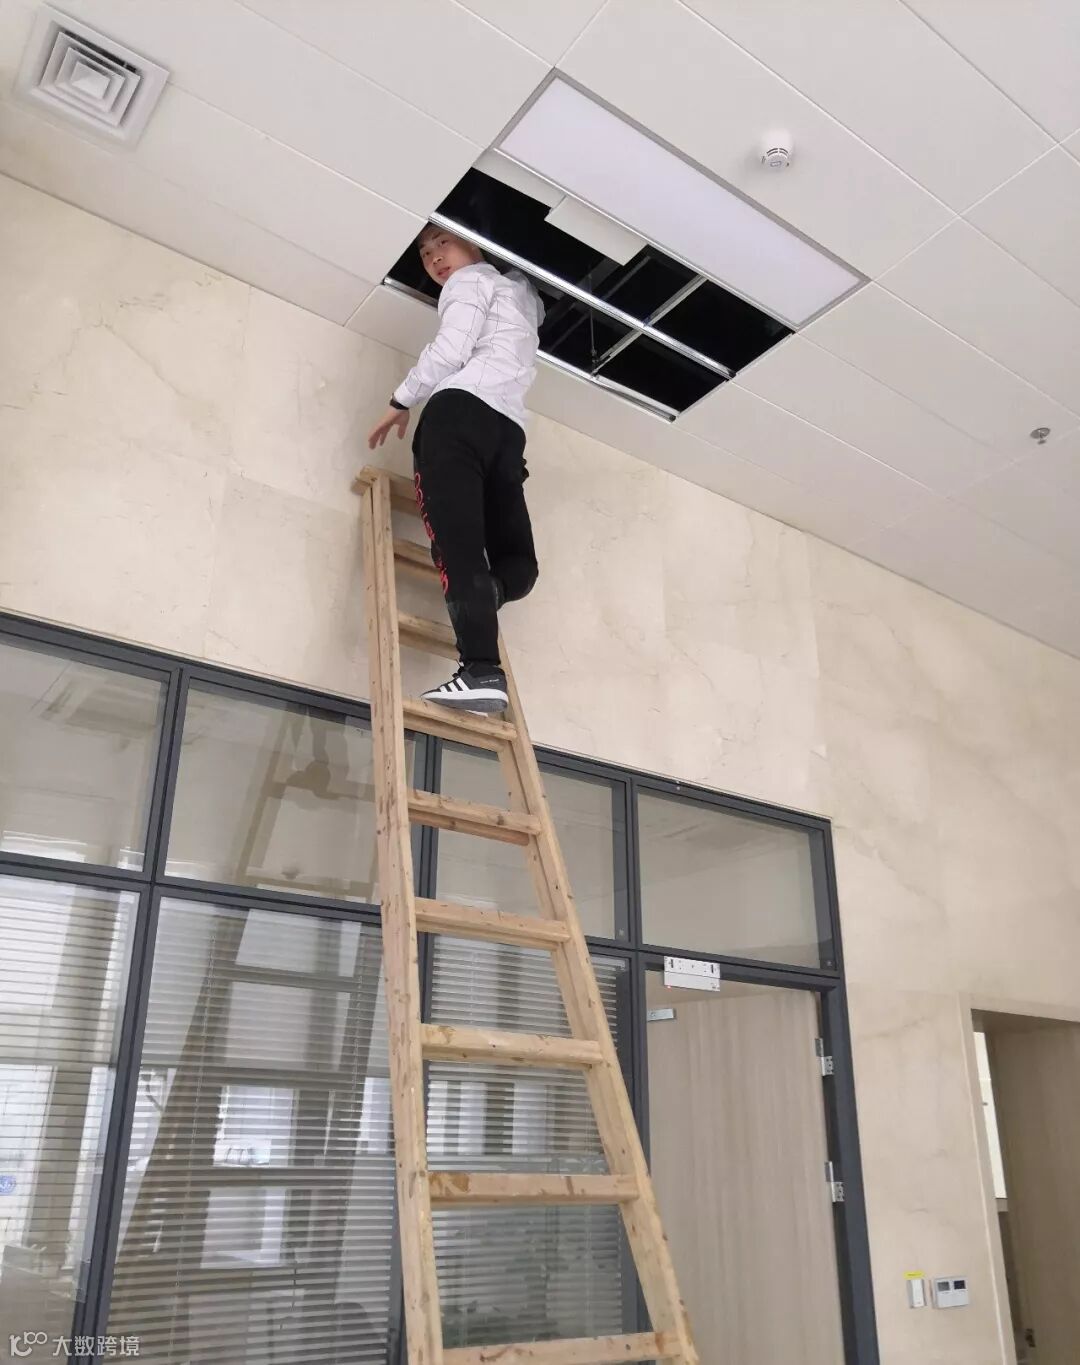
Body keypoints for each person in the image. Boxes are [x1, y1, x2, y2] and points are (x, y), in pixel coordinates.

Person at [367, 225, 545, 715]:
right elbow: (528, 301)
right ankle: (486, 594)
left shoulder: (469, 282)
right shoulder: (521, 296)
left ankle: (480, 671)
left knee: (458, 549)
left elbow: (451, 349)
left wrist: (399, 401)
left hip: (458, 417)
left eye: (442, 242)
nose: (434, 259)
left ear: (474, 242)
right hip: (508, 432)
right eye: (425, 253)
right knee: (519, 564)